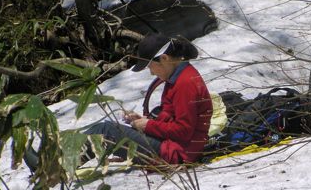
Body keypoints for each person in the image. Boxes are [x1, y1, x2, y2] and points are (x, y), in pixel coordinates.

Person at [25, 33, 213, 170]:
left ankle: (53, 166)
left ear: (164, 59)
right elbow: (174, 120)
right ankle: (53, 157)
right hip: (173, 147)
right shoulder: (179, 77)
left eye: (150, 66)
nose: (151, 72)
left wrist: (147, 126)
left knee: (106, 131)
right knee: (104, 129)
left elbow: (184, 131)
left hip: (177, 154)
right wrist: (144, 121)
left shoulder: (186, 83)